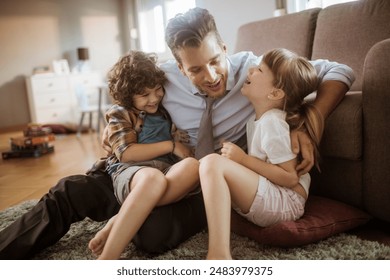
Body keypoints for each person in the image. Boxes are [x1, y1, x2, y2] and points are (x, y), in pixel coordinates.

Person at [0, 7, 354, 259]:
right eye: (196, 69)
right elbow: (127, 101)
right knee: (69, 191)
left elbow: (340, 69)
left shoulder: (254, 74)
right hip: (157, 167)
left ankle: (124, 220)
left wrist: (309, 124)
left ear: (225, 48)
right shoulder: (162, 78)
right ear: (179, 67)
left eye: (216, 60)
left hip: (205, 188)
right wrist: (117, 134)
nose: (212, 75)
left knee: (151, 235)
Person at [199, 48, 323, 260]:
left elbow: (290, 177)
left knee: (211, 163)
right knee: (209, 165)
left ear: (275, 93)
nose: (250, 69)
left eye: (259, 70)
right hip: (274, 194)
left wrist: (243, 159)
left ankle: (219, 256)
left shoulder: (273, 122)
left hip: (286, 201)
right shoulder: (259, 120)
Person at [88, 50, 199, 259]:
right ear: (127, 95)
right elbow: (127, 154)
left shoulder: (163, 108)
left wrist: (179, 138)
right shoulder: (120, 112)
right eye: (144, 94)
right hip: (132, 171)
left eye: (157, 90)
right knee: (151, 178)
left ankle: (120, 219)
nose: (154, 98)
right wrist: (171, 145)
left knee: (194, 166)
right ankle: (108, 259)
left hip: (165, 169)